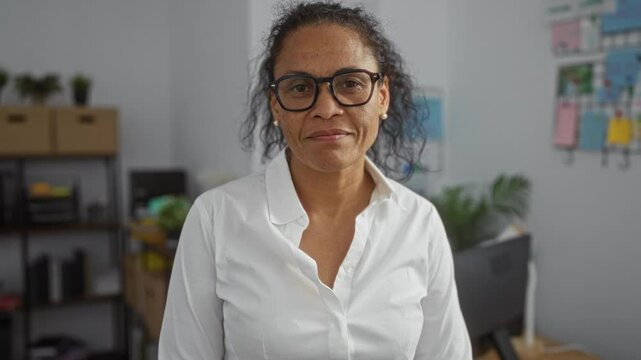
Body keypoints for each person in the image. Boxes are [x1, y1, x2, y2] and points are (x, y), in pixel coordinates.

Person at [159, 2, 471, 359]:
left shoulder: (419, 222)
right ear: (276, 105)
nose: (326, 108)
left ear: (382, 96)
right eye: (299, 88)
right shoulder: (216, 219)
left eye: (351, 83)